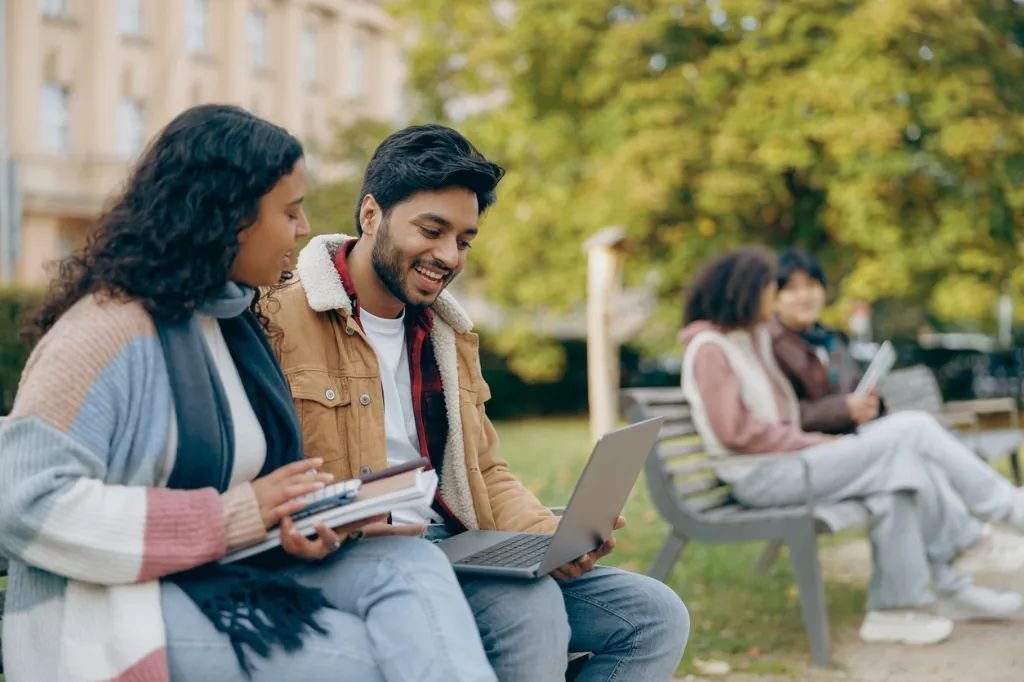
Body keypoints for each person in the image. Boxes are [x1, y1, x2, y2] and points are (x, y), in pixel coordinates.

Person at [0, 105, 495, 682]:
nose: (305, 227)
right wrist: (233, 516)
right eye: (289, 211)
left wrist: (297, 522)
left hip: (224, 574)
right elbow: (23, 502)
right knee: (362, 659)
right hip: (108, 611)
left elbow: (248, 500)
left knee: (410, 565)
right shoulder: (105, 331)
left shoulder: (230, 324)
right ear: (228, 216)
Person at [265, 124, 689, 681]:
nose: (447, 256)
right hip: (359, 556)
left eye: (463, 241)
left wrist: (547, 538)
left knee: (655, 616)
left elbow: (483, 469)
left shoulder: (446, 334)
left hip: (462, 549)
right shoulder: (279, 318)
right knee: (529, 612)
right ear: (371, 214)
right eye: (432, 230)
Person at [678, 247, 1024, 646]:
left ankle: (895, 612)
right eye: (771, 291)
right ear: (743, 291)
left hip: (786, 464)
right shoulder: (709, 348)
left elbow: (777, 415)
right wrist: (815, 441)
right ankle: (993, 521)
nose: (774, 302)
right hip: (763, 476)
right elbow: (737, 433)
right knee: (911, 429)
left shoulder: (745, 340)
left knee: (897, 483)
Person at [770, 249, 880, 434]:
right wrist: (844, 409)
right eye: (792, 289)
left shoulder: (834, 341)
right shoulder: (771, 346)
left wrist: (872, 404)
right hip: (807, 450)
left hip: (851, 438)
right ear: (773, 299)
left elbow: (855, 388)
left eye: (811, 285)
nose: (804, 296)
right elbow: (782, 413)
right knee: (916, 428)